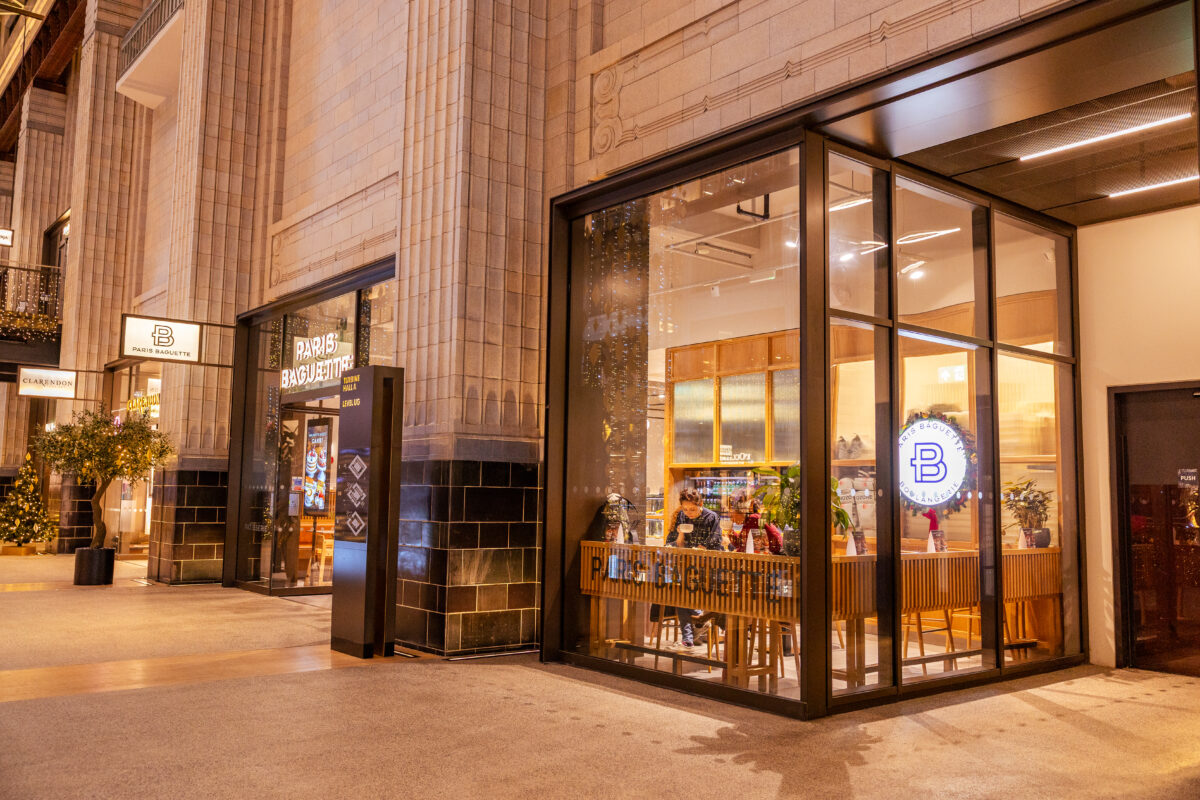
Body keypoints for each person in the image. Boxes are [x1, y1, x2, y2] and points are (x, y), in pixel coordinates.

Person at [665, 487, 723, 650]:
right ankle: (691, 634)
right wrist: (680, 535)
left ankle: (697, 625)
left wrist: (701, 547)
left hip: (708, 568)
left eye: (692, 509)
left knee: (687, 596)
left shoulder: (711, 517)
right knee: (681, 597)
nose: (688, 513)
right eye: (685, 509)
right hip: (687, 565)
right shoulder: (682, 516)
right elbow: (675, 542)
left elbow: (715, 542)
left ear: (701, 504)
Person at [725, 490, 783, 555]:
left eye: (731, 513)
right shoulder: (752, 519)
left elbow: (743, 548)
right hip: (771, 556)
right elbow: (741, 544)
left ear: (740, 510)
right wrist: (730, 532)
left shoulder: (753, 519)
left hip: (776, 558)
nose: (730, 517)